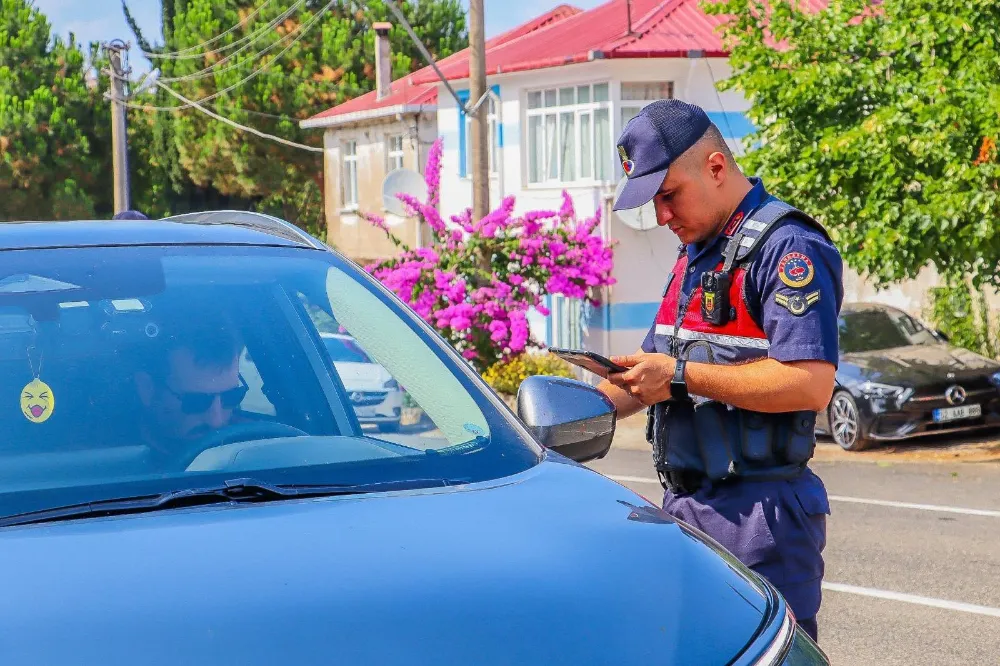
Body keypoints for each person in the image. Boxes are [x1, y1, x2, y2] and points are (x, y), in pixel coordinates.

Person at [599, 99, 843, 642]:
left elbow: (811, 383)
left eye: (668, 195)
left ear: (715, 167)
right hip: (687, 511)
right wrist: (568, 409)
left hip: (763, 517)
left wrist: (682, 377)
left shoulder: (787, 248)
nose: (661, 216)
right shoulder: (697, 254)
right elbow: (649, 369)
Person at [133, 316, 247, 466]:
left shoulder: (256, 442)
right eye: (196, 402)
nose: (217, 421)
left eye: (232, 397)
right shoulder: (103, 458)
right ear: (146, 389)